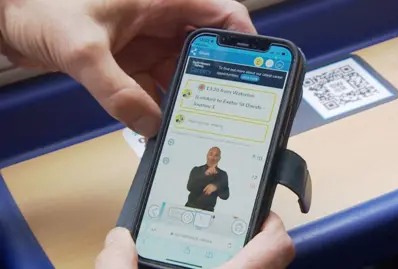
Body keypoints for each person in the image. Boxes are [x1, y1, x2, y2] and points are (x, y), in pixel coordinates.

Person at [0, 0, 295, 268]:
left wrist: (10, 13)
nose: (212, 154)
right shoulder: (195, 169)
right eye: (211, 152)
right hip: (185, 215)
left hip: (215, 225)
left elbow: (227, 194)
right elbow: (189, 187)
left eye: (216, 153)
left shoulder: (225, 176)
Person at [186, 147, 229, 212]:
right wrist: (205, 175)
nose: (212, 157)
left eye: (216, 155)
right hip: (190, 207)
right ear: (207, 155)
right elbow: (190, 187)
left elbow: (225, 196)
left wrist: (216, 186)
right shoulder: (196, 170)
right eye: (211, 154)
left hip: (208, 211)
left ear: (219, 158)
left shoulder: (222, 174)